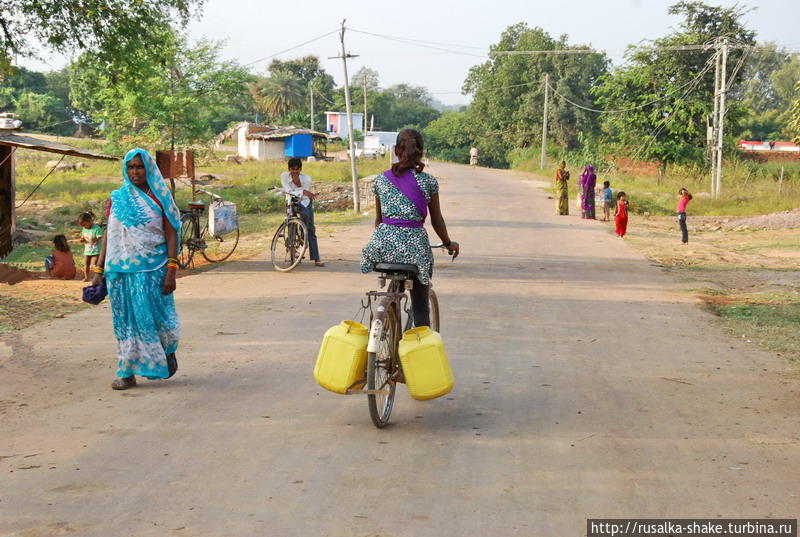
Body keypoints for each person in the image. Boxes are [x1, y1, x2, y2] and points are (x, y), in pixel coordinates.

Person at [93, 148, 181, 390]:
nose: (135, 171)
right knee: (125, 321)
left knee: (154, 318)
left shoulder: (160, 197)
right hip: (119, 272)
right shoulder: (118, 198)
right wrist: (98, 269)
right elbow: (109, 235)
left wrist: (172, 270)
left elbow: (172, 232)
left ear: (149, 168)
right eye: (130, 167)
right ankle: (127, 371)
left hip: (154, 268)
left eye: (139, 166)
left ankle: (166, 351)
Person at [361, 129, 460, 327]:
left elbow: (379, 220)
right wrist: (448, 243)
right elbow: (437, 220)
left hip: (381, 244)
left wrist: (383, 240)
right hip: (415, 249)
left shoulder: (381, 179)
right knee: (420, 305)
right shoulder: (428, 181)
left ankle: (387, 322)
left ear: (397, 150)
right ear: (421, 151)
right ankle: (420, 343)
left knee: (392, 264)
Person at [281, 157, 324, 267]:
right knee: (290, 224)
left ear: (300, 169)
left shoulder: (307, 178)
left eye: (297, 169)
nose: (295, 172)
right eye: (292, 169)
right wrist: (303, 191)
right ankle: (292, 251)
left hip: (304, 202)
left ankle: (316, 257)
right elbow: (288, 190)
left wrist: (301, 189)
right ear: (289, 169)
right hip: (291, 201)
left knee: (310, 229)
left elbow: (303, 195)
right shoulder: (284, 176)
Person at [77, 211, 102, 281]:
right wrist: (82, 240)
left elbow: (100, 237)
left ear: (90, 221)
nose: (84, 227)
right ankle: (86, 277)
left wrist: (96, 239)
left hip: (96, 250)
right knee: (86, 264)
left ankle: (97, 277)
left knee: (94, 264)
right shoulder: (84, 229)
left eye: (85, 225)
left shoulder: (96, 228)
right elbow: (83, 237)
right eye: (83, 226)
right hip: (87, 250)